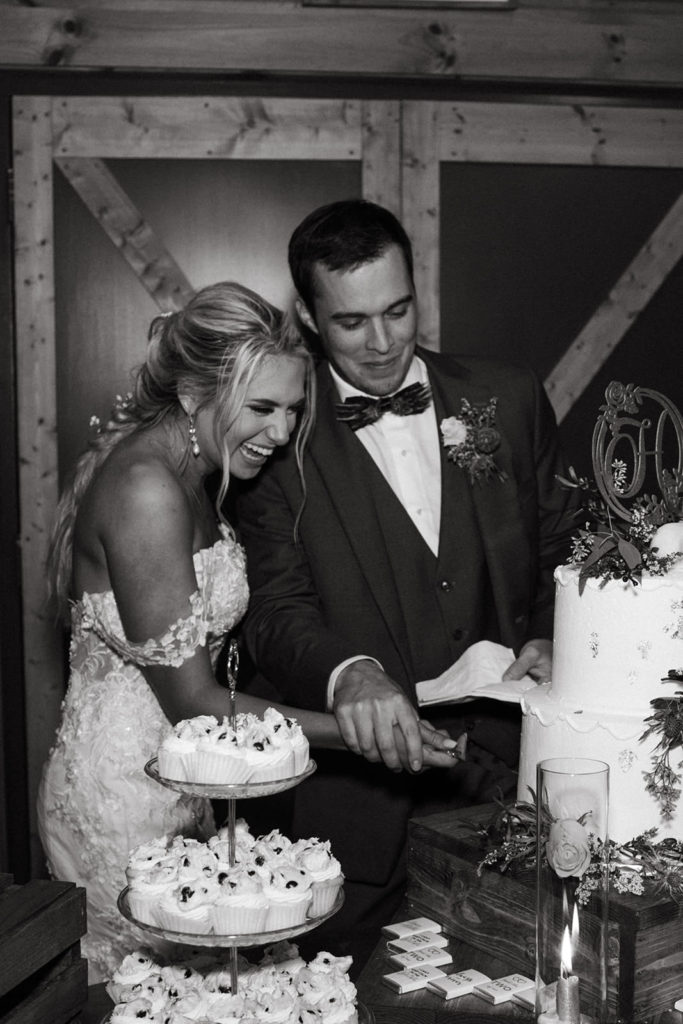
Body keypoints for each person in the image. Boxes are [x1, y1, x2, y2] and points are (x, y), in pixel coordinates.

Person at [37, 281, 455, 983]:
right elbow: (195, 702)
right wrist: (356, 728)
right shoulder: (147, 490)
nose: (282, 433)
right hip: (124, 798)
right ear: (195, 393)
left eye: (293, 411)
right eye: (261, 409)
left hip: (186, 783)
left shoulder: (192, 469)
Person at [234, 200, 578, 966]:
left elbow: (563, 544)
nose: (383, 342)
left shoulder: (508, 396)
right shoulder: (275, 432)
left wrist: (553, 635)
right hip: (354, 813)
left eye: (398, 310)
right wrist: (346, 675)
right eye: (353, 322)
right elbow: (272, 608)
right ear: (309, 315)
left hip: (512, 782)